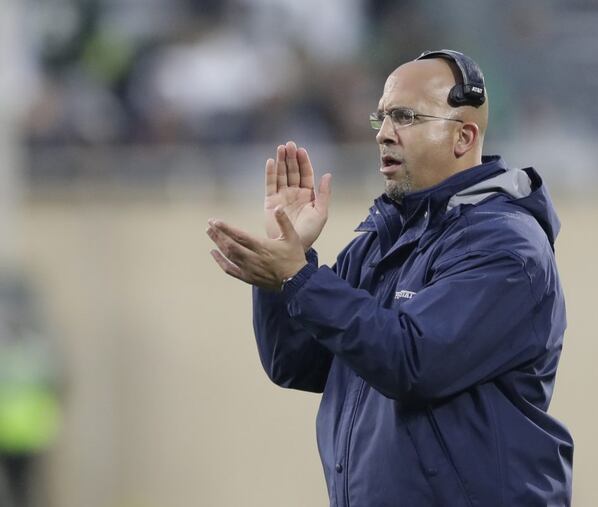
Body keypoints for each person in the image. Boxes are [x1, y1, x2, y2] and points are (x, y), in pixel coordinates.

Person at [207, 49, 573, 506]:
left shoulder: (506, 246)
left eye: (404, 116)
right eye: (380, 117)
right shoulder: (382, 241)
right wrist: (288, 264)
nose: (383, 134)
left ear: (463, 137)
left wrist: (298, 278)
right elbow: (296, 362)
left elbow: (411, 360)